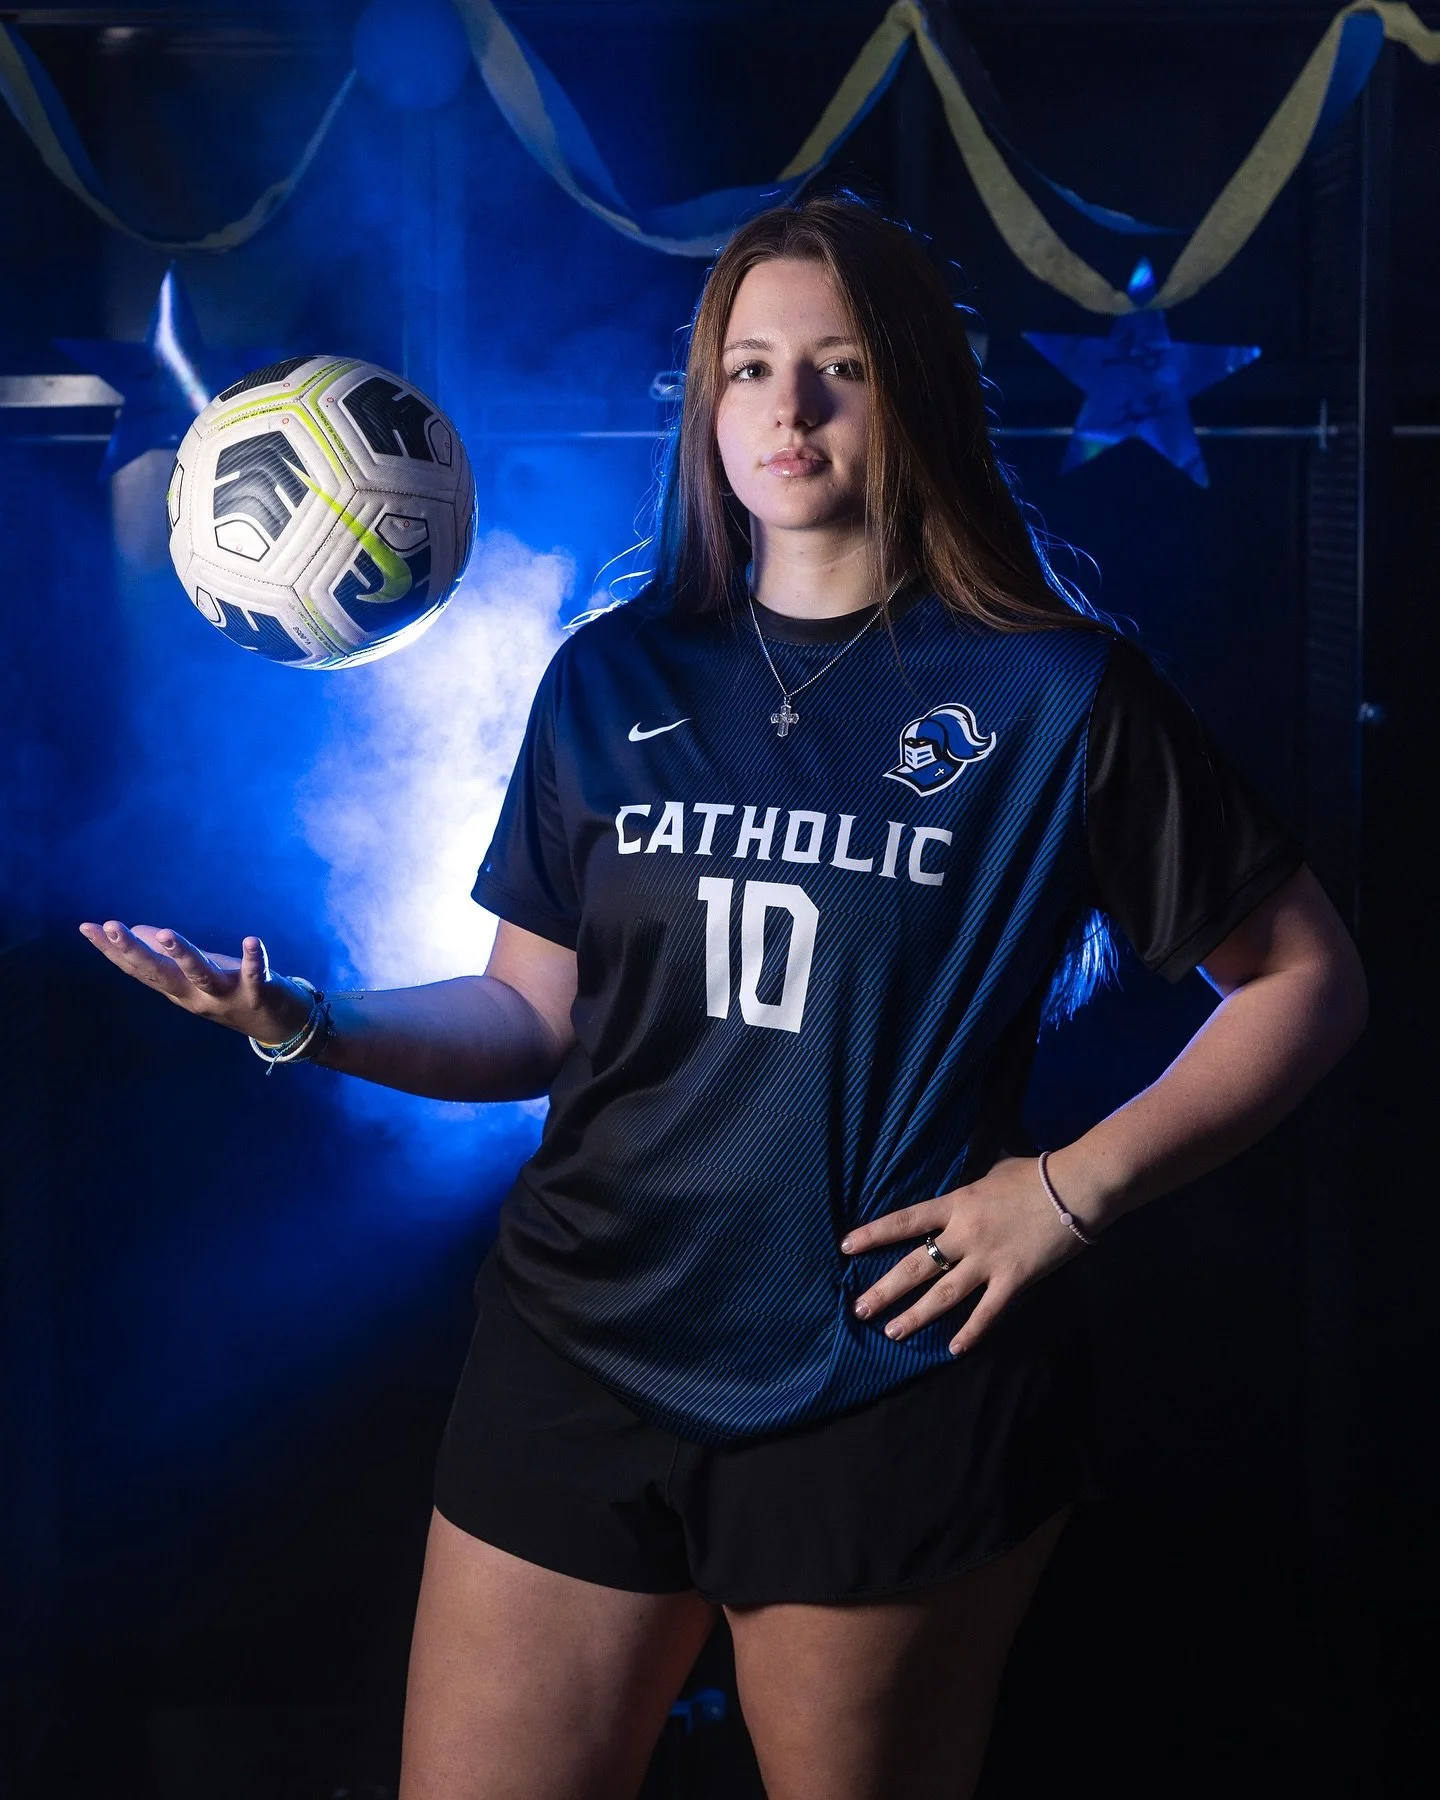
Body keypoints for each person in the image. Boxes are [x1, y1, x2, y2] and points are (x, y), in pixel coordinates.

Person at [81, 194, 1367, 1800]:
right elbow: (538, 1027)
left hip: (881, 1376)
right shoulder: (612, 676)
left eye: (841, 367)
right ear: (708, 405)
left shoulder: (1053, 693)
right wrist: (303, 1019)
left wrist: (1069, 1192)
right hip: (578, 1350)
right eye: (750, 368)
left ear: (918, 393)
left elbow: (1308, 978)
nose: (791, 408)